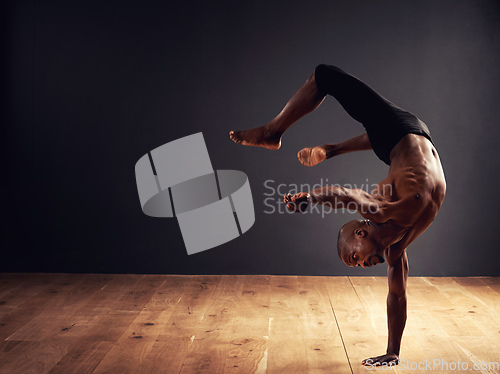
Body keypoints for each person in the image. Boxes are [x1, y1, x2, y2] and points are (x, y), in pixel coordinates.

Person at [229, 64, 446, 367]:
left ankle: (271, 132)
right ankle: (329, 150)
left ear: (361, 233)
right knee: (378, 130)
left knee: (325, 75)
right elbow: (398, 297)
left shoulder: (381, 211)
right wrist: (393, 352)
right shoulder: (397, 248)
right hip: (403, 141)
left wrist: (310, 197)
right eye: (356, 263)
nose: (360, 264)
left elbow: (346, 195)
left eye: (353, 258)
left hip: (402, 132)